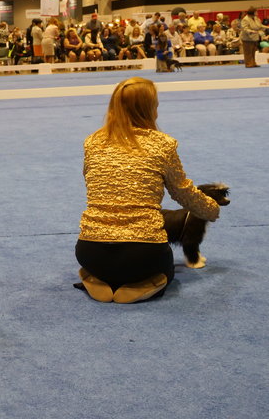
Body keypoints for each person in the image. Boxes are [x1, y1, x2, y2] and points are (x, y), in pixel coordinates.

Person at [75, 77, 220, 303]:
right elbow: (183, 193)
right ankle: (139, 287)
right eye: (156, 107)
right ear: (148, 109)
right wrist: (212, 209)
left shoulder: (92, 142)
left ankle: (96, 280)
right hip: (143, 254)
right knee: (167, 269)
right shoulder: (163, 144)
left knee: (101, 265)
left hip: (89, 251)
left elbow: (89, 179)